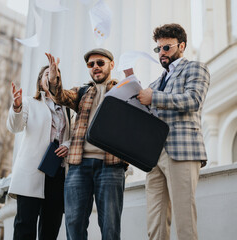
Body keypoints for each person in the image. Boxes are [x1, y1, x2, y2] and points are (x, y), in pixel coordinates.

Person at [125, 23, 210, 240]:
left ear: (181, 46)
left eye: (166, 48)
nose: (161, 53)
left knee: (184, 219)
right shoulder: (154, 82)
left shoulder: (195, 68)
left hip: (181, 150)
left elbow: (193, 100)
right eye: (158, 49)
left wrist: (154, 98)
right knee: (155, 222)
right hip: (154, 156)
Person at [46, 49, 127, 240]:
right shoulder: (81, 92)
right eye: (91, 65)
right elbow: (61, 96)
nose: (96, 67)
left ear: (111, 65)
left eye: (100, 63)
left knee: (110, 226)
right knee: (74, 224)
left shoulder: (124, 90)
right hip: (78, 166)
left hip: (111, 166)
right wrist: (53, 78)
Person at [6, 65, 71, 240]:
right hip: (32, 172)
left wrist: (68, 144)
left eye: (55, 75)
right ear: (40, 82)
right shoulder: (29, 102)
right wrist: (17, 107)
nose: (51, 78)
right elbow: (15, 127)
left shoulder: (67, 108)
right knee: (24, 226)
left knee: (50, 228)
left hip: (57, 173)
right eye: (47, 75)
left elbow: (73, 135)